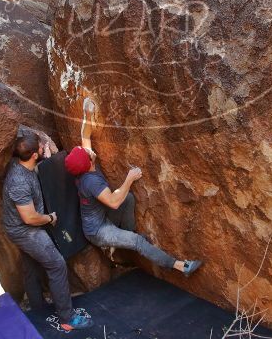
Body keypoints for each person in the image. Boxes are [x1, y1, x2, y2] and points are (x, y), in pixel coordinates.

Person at [64, 99, 203, 276]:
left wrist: (87, 114)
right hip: (98, 231)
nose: (88, 150)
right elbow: (114, 203)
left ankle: (125, 238)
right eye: (86, 153)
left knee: (128, 198)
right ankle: (181, 267)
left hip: (102, 216)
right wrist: (129, 178)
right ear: (89, 162)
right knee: (137, 240)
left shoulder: (85, 166)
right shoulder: (91, 181)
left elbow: (85, 135)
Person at [2, 131, 92, 330]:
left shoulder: (21, 164)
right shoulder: (19, 182)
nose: (43, 147)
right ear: (34, 154)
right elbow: (30, 217)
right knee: (57, 264)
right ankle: (67, 317)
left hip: (19, 226)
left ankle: (38, 308)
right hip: (25, 230)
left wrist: (49, 154)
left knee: (30, 267)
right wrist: (50, 218)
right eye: (41, 147)